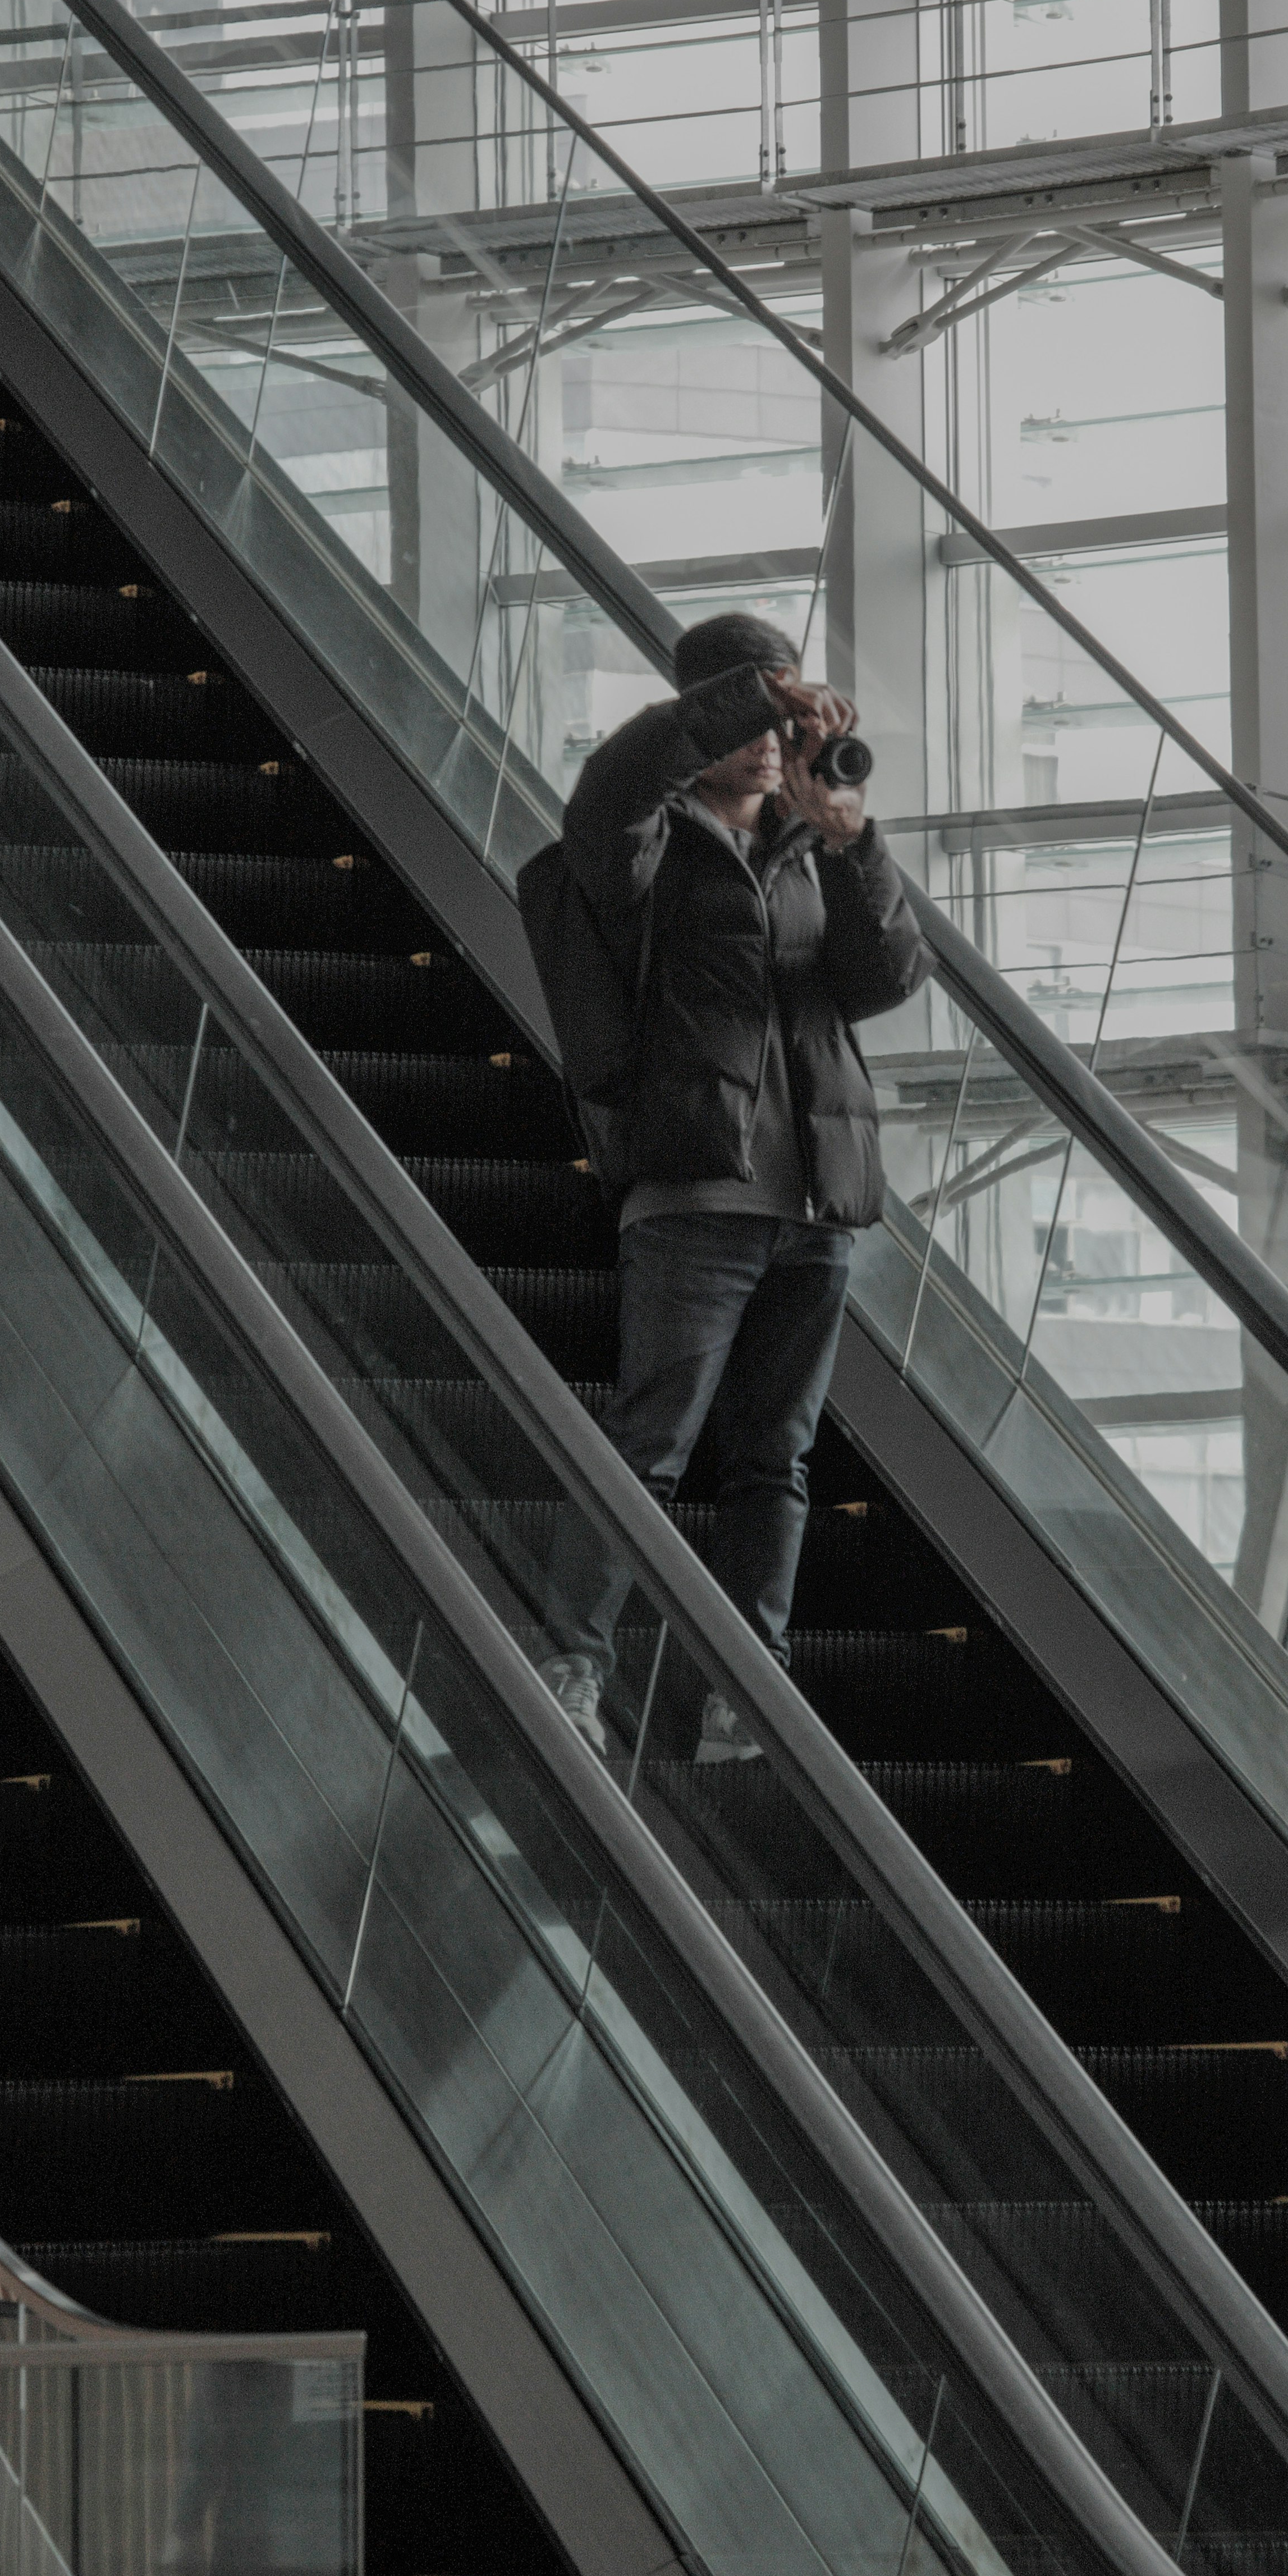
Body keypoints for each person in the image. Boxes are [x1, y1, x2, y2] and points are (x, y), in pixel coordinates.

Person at [522, 610, 933, 1761]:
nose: (772, 737)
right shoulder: (639, 842)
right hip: (698, 1191)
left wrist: (850, 839)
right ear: (706, 708)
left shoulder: (805, 846)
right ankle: (573, 1660)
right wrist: (758, 692)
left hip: (819, 1201)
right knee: (651, 1438)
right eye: (755, 711)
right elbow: (626, 774)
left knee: (776, 1458)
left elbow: (889, 976)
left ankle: (746, 1692)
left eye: (788, 706)